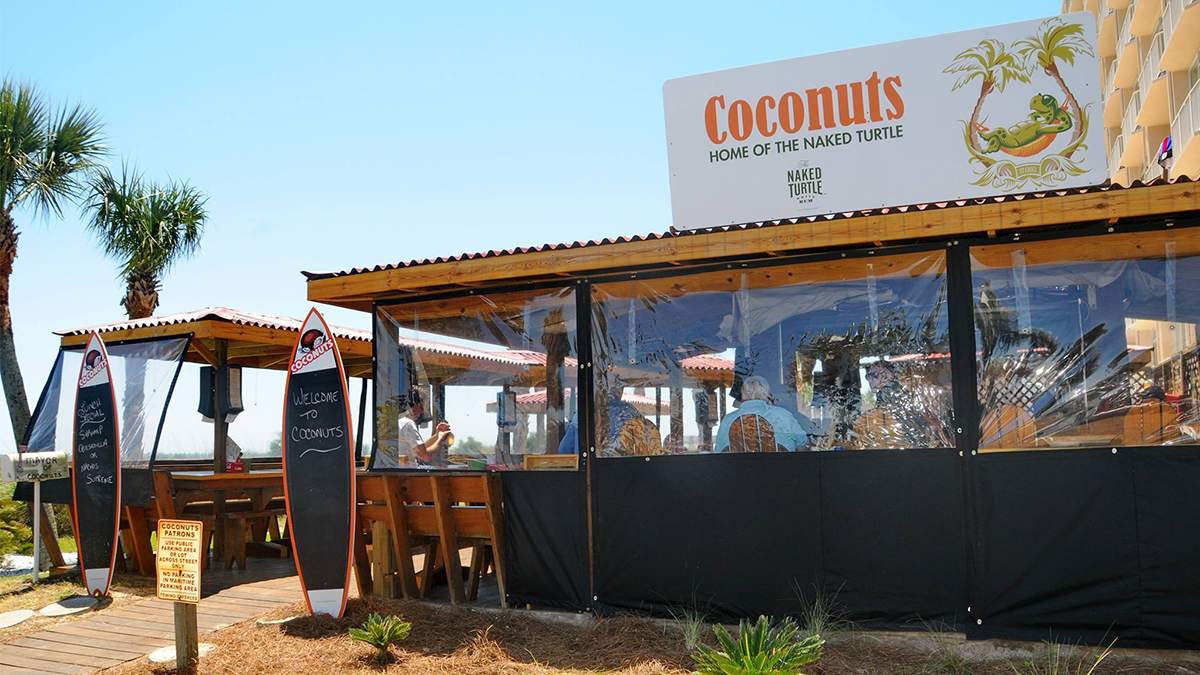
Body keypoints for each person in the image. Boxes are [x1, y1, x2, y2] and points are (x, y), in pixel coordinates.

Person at [714, 375, 808, 452]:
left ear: (742, 394)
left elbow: (719, 452)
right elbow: (803, 444)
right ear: (766, 393)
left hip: (739, 474)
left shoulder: (728, 420)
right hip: (781, 472)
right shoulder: (784, 415)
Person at [374, 389, 453, 468]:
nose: (422, 411)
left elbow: (420, 448)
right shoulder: (408, 424)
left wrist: (437, 435)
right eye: (421, 407)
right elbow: (426, 456)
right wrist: (441, 440)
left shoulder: (398, 421)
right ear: (414, 404)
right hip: (406, 475)